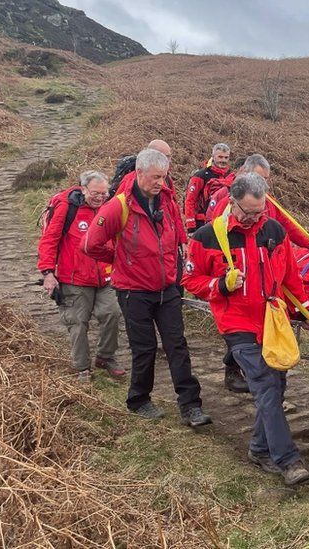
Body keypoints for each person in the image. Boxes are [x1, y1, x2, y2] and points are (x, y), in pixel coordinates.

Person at [183, 172, 309, 486]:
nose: (254, 218)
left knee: (278, 385)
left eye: (260, 211)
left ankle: (258, 448)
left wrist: (303, 310)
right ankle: (288, 460)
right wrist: (220, 285)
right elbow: (190, 281)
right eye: (248, 212)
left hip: (272, 321)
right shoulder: (206, 237)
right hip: (237, 324)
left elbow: (290, 276)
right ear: (232, 203)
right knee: (267, 386)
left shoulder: (274, 229)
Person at [82, 149, 210, 427]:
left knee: (177, 345)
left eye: (163, 177)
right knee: (145, 348)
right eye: (155, 177)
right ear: (138, 173)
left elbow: (177, 234)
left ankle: (190, 405)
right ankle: (139, 400)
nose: (160, 183)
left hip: (167, 288)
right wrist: (120, 260)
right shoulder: (118, 206)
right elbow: (91, 243)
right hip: (134, 291)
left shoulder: (166, 201)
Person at [37, 170, 123, 381]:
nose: (100, 197)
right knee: (77, 322)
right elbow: (49, 240)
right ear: (83, 189)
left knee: (112, 313)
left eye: (104, 194)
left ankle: (105, 356)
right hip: (74, 278)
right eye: (95, 193)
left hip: (106, 276)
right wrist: (48, 273)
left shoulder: (109, 207)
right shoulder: (67, 209)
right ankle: (82, 367)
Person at [205, 154, 309, 249]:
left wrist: (308, 243)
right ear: (246, 173)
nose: (264, 183)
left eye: (266, 179)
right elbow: (213, 232)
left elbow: (286, 223)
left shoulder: (269, 200)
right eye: (260, 178)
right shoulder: (225, 197)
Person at [184, 143, 232, 232]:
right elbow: (190, 200)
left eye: (226, 157)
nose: (223, 160)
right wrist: (191, 226)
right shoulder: (201, 176)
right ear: (213, 156)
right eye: (220, 157)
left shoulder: (229, 176)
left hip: (222, 221)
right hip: (202, 223)